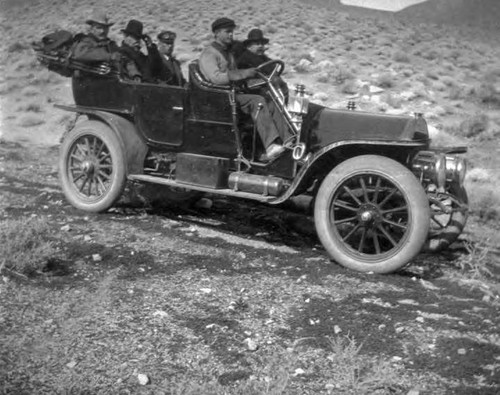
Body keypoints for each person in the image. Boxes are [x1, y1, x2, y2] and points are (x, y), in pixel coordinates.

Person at [199, 18, 292, 161]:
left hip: (233, 95)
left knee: (271, 101)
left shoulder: (228, 54)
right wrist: (244, 73)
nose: (231, 35)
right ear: (217, 33)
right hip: (219, 99)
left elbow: (237, 78)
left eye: (232, 32)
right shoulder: (209, 53)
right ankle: (271, 145)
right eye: (227, 32)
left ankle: (288, 141)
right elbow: (216, 78)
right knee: (257, 101)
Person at [236, 28, 289, 102]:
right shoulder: (244, 59)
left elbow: (273, 71)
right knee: (274, 81)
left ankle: (284, 106)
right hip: (248, 85)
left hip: (265, 83)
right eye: (257, 44)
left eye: (262, 44)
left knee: (279, 82)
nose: (261, 46)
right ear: (249, 46)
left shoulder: (266, 59)